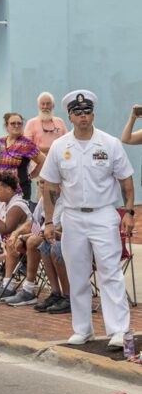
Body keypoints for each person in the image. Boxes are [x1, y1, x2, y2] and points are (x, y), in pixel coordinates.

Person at [40, 90, 134, 349]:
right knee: (77, 274)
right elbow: (51, 185)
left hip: (104, 213)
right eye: (77, 112)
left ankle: (119, 330)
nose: (83, 116)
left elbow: (126, 179)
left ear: (93, 114)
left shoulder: (110, 143)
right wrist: (49, 221)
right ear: (69, 116)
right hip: (72, 217)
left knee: (110, 273)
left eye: (87, 111)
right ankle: (83, 329)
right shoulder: (60, 146)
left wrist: (129, 212)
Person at [0, 173, 31, 303]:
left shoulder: (17, 206)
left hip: (22, 241)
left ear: (9, 189)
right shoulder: (4, 204)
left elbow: (5, 229)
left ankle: (7, 286)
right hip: (9, 240)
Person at [0, 112, 46, 198]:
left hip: (18, 191)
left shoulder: (26, 144)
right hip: (0, 190)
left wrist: (31, 175)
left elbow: (43, 161)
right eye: (13, 123)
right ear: (7, 126)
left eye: (19, 123)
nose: (16, 125)